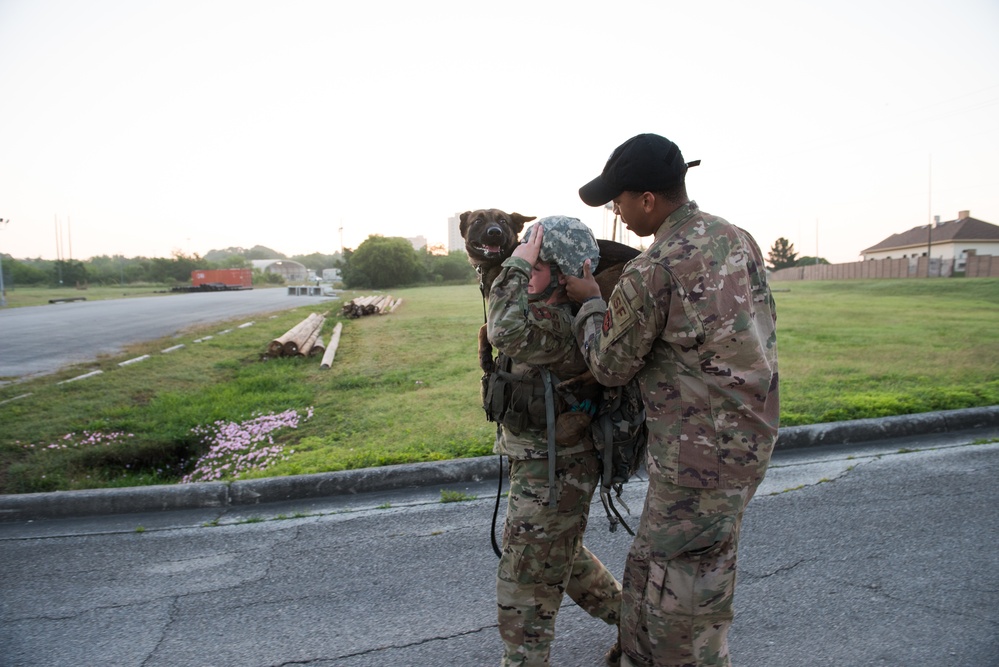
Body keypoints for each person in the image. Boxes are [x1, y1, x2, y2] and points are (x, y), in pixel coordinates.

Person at [565, 133, 780, 667]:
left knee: (673, 602)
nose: (616, 211)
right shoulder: (738, 238)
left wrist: (593, 305)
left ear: (647, 200)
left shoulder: (653, 268)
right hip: (749, 442)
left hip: (697, 460)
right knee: (698, 570)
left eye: (618, 200)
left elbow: (610, 367)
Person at [486, 216, 623, 666]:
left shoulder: (558, 325)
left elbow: (504, 328)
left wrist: (514, 266)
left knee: (523, 590)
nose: (521, 265)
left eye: (534, 262)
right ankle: (641, 627)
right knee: (565, 562)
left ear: (563, 275)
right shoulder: (539, 313)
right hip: (543, 467)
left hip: (555, 474)